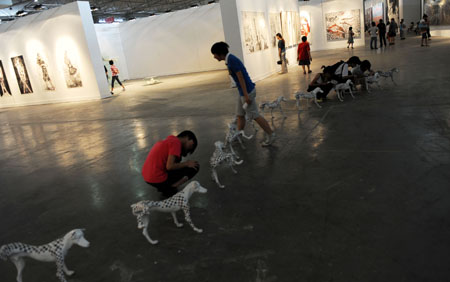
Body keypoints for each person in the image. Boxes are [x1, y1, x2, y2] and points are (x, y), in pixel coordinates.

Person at [211, 42, 276, 146]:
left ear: (219, 53)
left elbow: (240, 77)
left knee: (255, 115)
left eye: (214, 54)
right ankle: (238, 136)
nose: (214, 57)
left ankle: (271, 134)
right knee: (240, 115)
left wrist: (246, 96)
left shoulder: (231, 60)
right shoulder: (229, 59)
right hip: (243, 91)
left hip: (247, 91)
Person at [142, 131, 200, 198]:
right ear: (187, 137)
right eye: (192, 144)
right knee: (195, 166)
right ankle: (170, 188)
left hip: (148, 177)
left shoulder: (170, 140)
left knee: (179, 162)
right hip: (156, 178)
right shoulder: (176, 143)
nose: (190, 148)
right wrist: (187, 163)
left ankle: (164, 187)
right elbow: (170, 166)